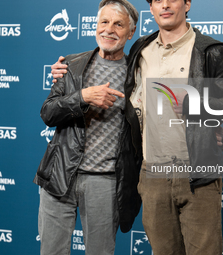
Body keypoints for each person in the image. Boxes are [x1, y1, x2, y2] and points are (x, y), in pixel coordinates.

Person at [50, 0, 223, 254]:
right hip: (151, 176)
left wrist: (199, 109)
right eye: (156, 0)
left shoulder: (210, 50)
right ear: (151, 9)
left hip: (196, 175)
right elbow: (117, 82)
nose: (165, 5)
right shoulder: (141, 52)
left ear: (187, 4)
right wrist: (66, 72)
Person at [33, 1, 142, 255]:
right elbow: (48, 113)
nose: (109, 29)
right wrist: (82, 97)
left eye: (118, 24)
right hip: (60, 175)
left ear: (131, 32)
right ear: (95, 26)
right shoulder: (71, 65)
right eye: (104, 22)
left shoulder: (137, 74)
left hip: (105, 184)